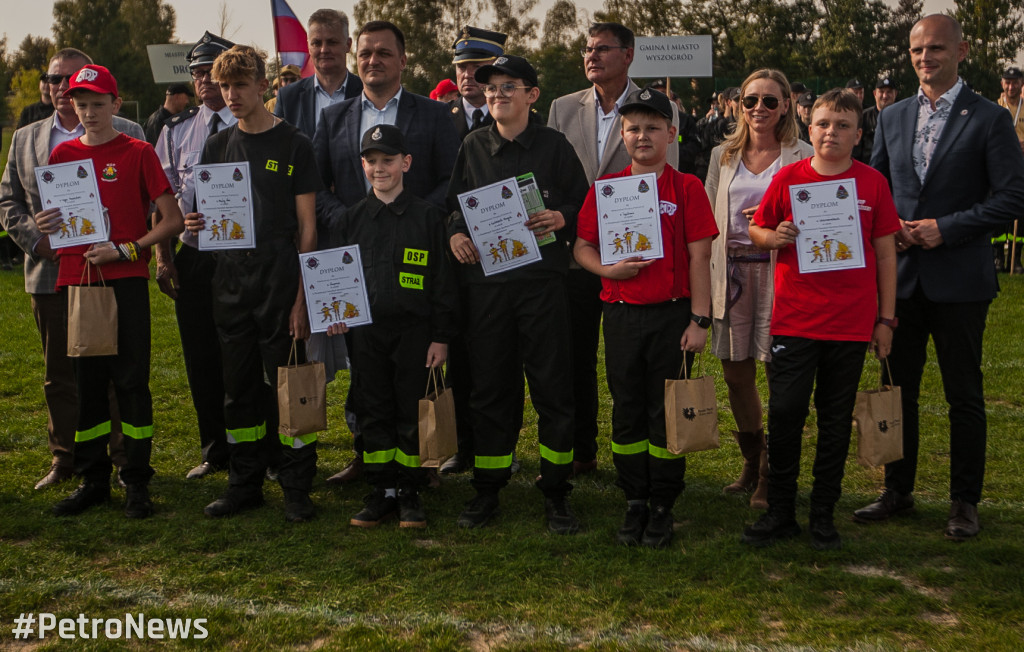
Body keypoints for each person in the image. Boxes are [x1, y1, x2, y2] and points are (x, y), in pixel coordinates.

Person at [854, 14, 1024, 540]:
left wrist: (943, 229)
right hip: (900, 279)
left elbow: (1012, 198)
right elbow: (874, 185)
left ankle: (964, 502)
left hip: (960, 280)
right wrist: (893, 230)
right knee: (897, 390)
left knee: (964, 394)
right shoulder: (893, 115)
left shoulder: (991, 118)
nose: (925, 58)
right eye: (917, 50)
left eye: (936, 49)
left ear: (962, 50)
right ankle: (897, 489)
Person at [741, 88, 899, 549]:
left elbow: (886, 255)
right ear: (810, 130)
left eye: (843, 125)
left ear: (858, 134)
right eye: (824, 124)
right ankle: (781, 512)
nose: (832, 132)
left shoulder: (872, 183)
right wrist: (773, 238)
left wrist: (886, 320)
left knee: (834, 421)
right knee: (786, 414)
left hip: (850, 323)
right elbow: (757, 227)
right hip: (795, 319)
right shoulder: (790, 177)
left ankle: (823, 514)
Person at [33, 64, 185, 518]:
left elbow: (171, 219)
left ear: (116, 105)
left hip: (126, 284)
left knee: (132, 383)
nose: (89, 113)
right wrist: (47, 225)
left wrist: (126, 249)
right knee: (88, 386)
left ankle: (137, 480)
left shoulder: (138, 151)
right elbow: (57, 227)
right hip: (77, 283)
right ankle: (93, 480)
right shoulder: (60, 159)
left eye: (98, 104)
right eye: (81, 105)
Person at [313, 20, 460, 485]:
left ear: (402, 59)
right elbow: (317, 184)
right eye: (365, 53)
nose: (372, 60)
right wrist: (345, 219)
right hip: (355, 255)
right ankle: (367, 455)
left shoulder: (434, 115)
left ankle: (420, 460)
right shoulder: (333, 118)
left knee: (413, 368)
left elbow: (450, 181)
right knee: (366, 366)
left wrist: (417, 219)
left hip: (417, 255)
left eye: (383, 53)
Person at [447, 55, 589, 533]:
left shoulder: (554, 146)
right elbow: (454, 208)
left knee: (552, 387)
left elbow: (581, 201)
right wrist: (455, 236)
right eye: (491, 87)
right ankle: (488, 489)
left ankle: (556, 492)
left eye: (509, 86)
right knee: (490, 388)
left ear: (533, 95)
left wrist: (562, 217)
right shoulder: (472, 146)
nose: (497, 94)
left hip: (542, 286)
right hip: (488, 291)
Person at [574, 87, 718, 548]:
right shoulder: (606, 189)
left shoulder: (687, 188)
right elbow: (582, 246)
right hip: (619, 316)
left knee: (666, 414)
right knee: (627, 409)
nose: (642, 136)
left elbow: (700, 259)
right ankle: (634, 499)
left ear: (671, 133)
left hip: (672, 318)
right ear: (622, 132)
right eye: (633, 128)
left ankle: (663, 505)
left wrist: (700, 319)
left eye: (653, 127)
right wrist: (606, 270)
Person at [185, 45, 320, 522]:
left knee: (291, 385)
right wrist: (196, 222)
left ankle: (297, 485)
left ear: (263, 86)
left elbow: (308, 230)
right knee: (237, 388)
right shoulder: (216, 146)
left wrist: (304, 299)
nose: (231, 94)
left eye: (240, 85)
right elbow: (208, 216)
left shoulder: (295, 144)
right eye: (224, 86)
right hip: (229, 282)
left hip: (281, 280)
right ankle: (244, 483)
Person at [1, 48, 145, 491]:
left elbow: (146, 202)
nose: (62, 87)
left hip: (113, 273)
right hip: (50, 273)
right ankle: (66, 458)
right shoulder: (26, 138)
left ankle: (122, 460)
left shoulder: (129, 132)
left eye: (70, 79)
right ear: (47, 85)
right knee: (61, 372)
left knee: (115, 371)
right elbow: (8, 202)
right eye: (54, 79)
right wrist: (38, 240)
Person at [547, 22, 682, 478]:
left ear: (628, 55)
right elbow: (549, 181)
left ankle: (648, 452)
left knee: (634, 366)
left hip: (639, 261)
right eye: (587, 49)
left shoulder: (660, 109)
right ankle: (582, 450)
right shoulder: (562, 108)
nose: (591, 56)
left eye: (602, 49)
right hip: (577, 252)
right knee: (575, 358)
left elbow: (668, 182)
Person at [325, 124, 457, 528]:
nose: (380, 168)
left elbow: (444, 284)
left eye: (388, 160)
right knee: (373, 409)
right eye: (372, 161)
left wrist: (441, 337)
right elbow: (335, 277)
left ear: (406, 162)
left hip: (416, 335)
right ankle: (381, 489)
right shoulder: (350, 220)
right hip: (366, 335)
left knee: (411, 410)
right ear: (362, 164)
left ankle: (410, 489)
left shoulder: (429, 218)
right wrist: (335, 313)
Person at [705, 69, 813, 510]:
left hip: (779, 272)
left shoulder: (803, 154)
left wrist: (770, 223)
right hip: (729, 273)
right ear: (738, 105)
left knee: (778, 375)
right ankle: (753, 459)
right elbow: (709, 217)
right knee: (736, 374)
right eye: (751, 101)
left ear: (786, 104)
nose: (759, 110)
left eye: (770, 101)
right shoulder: (722, 155)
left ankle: (773, 473)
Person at [152, 31, 237, 480]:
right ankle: (214, 448)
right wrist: (164, 259)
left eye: (213, 70)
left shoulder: (256, 126)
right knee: (201, 353)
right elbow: (162, 200)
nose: (204, 79)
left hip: (243, 257)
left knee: (244, 353)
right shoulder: (177, 131)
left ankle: (256, 447)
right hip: (195, 255)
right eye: (198, 71)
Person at [440, 25, 520, 476]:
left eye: (477, 67)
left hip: (507, 260)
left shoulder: (515, 115)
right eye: (462, 67)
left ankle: (501, 437)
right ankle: (463, 442)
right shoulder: (440, 116)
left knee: (501, 356)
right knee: (460, 350)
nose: (468, 75)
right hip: (457, 253)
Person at [274, 8, 363, 137]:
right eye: (316, 43)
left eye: (332, 42)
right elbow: (277, 148)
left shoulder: (366, 92)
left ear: (348, 44)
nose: (324, 49)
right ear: (308, 46)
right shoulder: (288, 97)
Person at [993, 66, 1024, 272]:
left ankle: (1016, 258)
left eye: (1015, 82)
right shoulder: (994, 106)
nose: (1011, 86)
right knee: (998, 208)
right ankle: (997, 257)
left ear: (1021, 84)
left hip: (1021, 163)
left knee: (1020, 211)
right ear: (1002, 83)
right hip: (999, 165)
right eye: (1007, 82)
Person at [854, 77, 897, 164]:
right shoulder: (863, 117)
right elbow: (856, 151)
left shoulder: (902, 117)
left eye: (889, 92)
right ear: (875, 93)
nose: (885, 96)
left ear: (895, 94)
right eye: (881, 92)